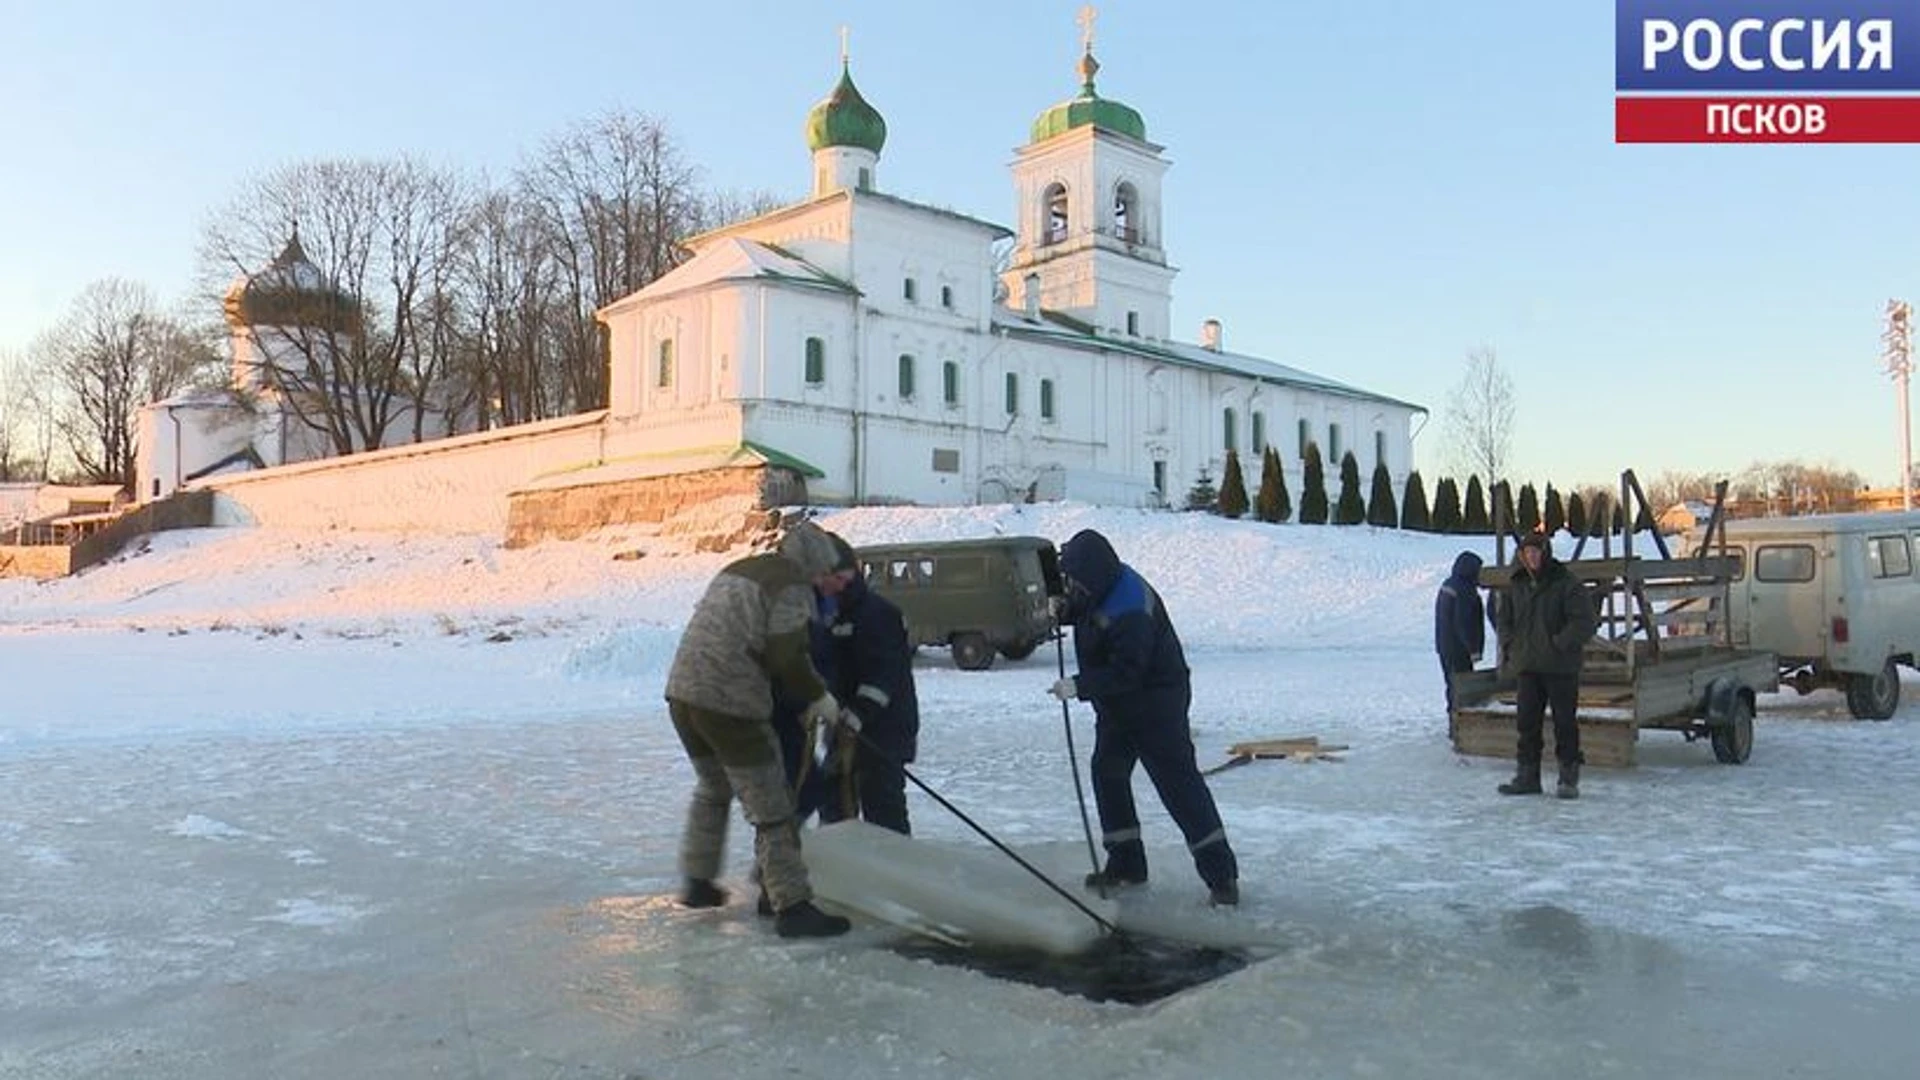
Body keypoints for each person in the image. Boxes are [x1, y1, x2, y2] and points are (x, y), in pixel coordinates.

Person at [664, 519, 856, 938]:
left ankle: (698, 884)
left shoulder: (740, 567)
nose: (830, 587)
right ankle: (792, 906)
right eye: (828, 577)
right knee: (773, 807)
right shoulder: (791, 587)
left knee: (713, 789)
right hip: (730, 704)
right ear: (814, 569)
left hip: (682, 695)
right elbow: (787, 659)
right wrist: (820, 699)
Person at [1048, 528, 1240, 907]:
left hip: (1156, 706)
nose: (1071, 586)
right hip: (1119, 706)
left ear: (1092, 573)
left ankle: (1222, 878)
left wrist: (1080, 685)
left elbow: (1127, 672)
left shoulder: (1131, 609)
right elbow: (1088, 610)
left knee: (1179, 787)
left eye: (1074, 581)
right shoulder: (1103, 583)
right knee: (1108, 772)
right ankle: (1126, 864)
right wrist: (1063, 610)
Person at [816, 533, 920, 836]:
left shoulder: (877, 614)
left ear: (842, 573)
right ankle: (839, 871)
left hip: (882, 734)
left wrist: (858, 713)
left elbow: (882, 675)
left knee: (883, 814)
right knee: (832, 805)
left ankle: (896, 876)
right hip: (841, 728)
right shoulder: (830, 613)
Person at [1493, 531, 1598, 800]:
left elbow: (1585, 620)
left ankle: (1568, 778)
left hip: (1560, 667)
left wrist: (1560, 643)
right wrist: (1510, 643)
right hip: (1528, 666)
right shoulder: (1515, 584)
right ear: (1521, 556)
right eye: (1527, 553)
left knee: (1564, 723)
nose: (1532, 557)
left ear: (1545, 552)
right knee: (1526, 723)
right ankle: (1527, 776)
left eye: (1536, 552)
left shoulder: (1565, 582)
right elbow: (1503, 618)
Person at [1435, 550, 1486, 714]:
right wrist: (1473, 649)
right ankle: (1460, 723)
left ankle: (1453, 719)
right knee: (1463, 688)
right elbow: (1464, 622)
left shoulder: (1449, 584)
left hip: (1445, 646)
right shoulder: (1465, 590)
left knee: (1451, 685)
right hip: (1459, 649)